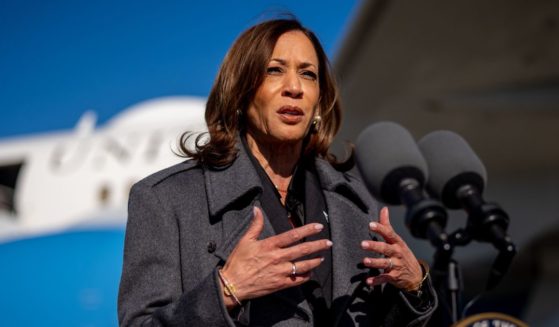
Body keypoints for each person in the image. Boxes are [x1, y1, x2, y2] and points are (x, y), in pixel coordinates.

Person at [118, 18, 437, 326]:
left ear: (319, 103)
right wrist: (227, 289)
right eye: (274, 70)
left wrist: (413, 287)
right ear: (240, 93)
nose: (295, 87)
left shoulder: (357, 202)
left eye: (309, 75)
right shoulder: (164, 199)